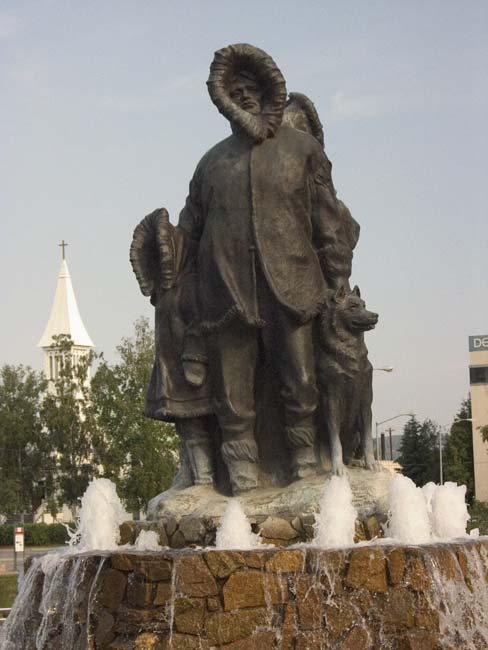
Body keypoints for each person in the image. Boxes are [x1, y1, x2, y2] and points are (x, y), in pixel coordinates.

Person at [178, 44, 353, 493]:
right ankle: (241, 474)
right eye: (234, 90)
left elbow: (328, 221)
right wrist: (178, 287)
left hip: (293, 286)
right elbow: (188, 233)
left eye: (249, 87)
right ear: (224, 101)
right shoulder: (211, 163)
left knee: (302, 380)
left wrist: (338, 280)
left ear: (266, 90)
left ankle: (304, 463)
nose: (243, 95)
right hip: (226, 293)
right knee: (232, 394)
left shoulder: (302, 150)